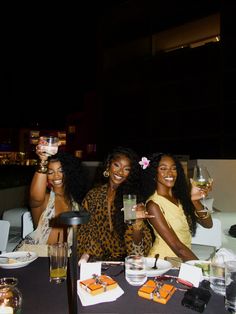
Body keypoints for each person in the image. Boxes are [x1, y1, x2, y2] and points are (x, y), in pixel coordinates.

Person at [77, 146, 153, 262]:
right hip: (97, 260)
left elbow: (138, 251)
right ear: (108, 165)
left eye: (126, 169)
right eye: (117, 165)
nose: (120, 172)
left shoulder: (130, 199)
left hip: (125, 263)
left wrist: (137, 225)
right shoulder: (93, 196)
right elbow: (85, 231)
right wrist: (87, 255)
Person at [15, 139, 88, 253]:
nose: (56, 176)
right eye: (50, 172)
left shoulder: (77, 205)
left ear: (69, 172)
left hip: (64, 260)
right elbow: (35, 197)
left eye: (61, 170)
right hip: (35, 257)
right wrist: (43, 160)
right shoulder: (45, 199)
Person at [141, 153, 213, 262]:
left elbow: (208, 224)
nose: (170, 173)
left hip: (179, 260)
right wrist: (202, 268)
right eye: (163, 168)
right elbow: (177, 247)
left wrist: (195, 201)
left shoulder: (180, 198)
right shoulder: (153, 204)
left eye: (173, 168)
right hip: (162, 262)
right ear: (154, 173)